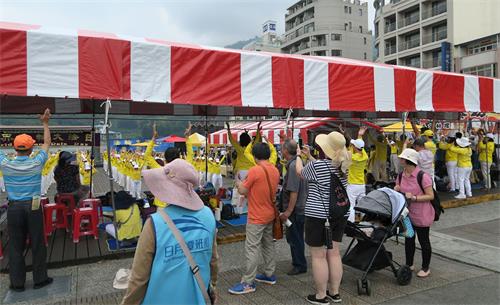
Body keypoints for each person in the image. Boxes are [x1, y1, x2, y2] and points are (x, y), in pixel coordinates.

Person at [122, 159, 218, 305]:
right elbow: (213, 262)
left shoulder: (155, 223)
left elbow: (139, 278)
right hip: (198, 298)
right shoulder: (208, 215)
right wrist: (211, 287)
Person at [0, 108, 53, 292]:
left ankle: (17, 284)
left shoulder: (5, 163)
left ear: (14, 148)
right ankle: (40, 279)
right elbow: (47, 143)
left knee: (15, 246)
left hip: (13, 208)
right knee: (38, 242)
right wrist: (45, 123)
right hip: (33, 206)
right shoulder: (37, 162)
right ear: (31, 148)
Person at [296, 131, 350, 304]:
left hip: (319, 215)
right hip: (339, 213)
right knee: (334, 254)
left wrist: (299, 156)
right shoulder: (343, 166)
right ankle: (335, 292)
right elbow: (324, 169)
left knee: (318, 255)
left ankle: (320, 295)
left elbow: (300, 173)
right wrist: (310, 157)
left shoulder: (318, 166)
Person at [228, 143, 280, 295]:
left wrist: (238, 182)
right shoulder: (275, 170)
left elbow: (243, 190)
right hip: (270, 213)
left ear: (255, 156)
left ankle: (248, 282)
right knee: (268, 244)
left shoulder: (255, 170)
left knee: (252, 248)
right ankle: (270, 274)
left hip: (256, 216)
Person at [395, 149, 434, 278]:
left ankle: (425, 267)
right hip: (407, 214)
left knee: (424, 241)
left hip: (422, 214)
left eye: (402, 158)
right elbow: (399, 189)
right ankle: (409, 264)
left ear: (408, 161)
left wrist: (415, 198)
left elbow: (430, 196)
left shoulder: (422, 176)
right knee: (409, 239)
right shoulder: (401, 175)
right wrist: (397, 189)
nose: (400, 160)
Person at [280, 139, 308, 276]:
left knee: (295, 237)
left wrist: (288, 211)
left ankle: (300, 264)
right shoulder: (296, 163)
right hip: (299, 207)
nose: (280, 150)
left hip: (296, 209)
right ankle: (299, 262)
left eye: (282, 148)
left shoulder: (292, 167)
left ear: (285, 150)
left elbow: (293, 191)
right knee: (297, 236)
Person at [347, 127, 369, 223]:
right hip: (361, 184)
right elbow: (359, 143)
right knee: (363, 205)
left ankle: (351, 224)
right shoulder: (364, 155)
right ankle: (365, 224)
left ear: (355, 147)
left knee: (351, 206)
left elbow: (348, 151)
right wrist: (360, 135)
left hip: (352, 184)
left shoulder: (352, 157)